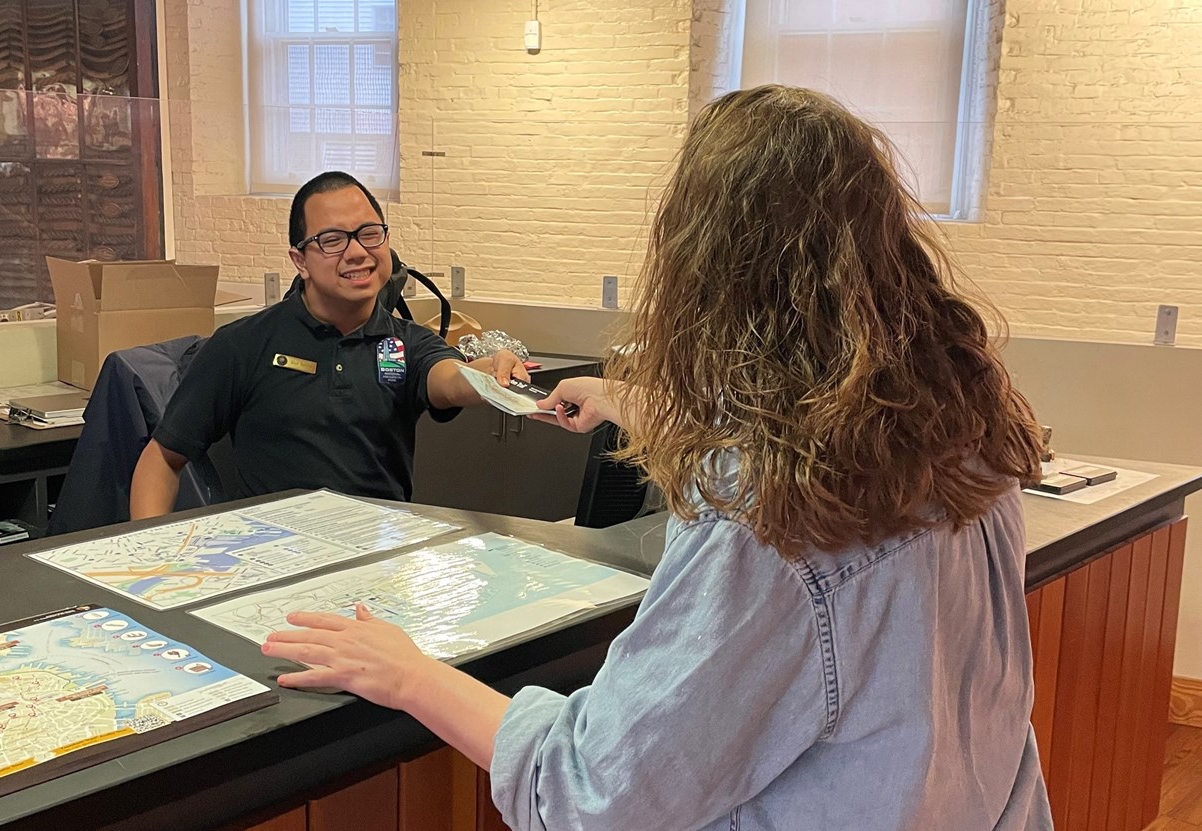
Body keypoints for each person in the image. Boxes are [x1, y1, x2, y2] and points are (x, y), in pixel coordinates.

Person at [259, 87, 1055, 830]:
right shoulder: (956, 429)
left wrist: (406, 672)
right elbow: (801, 416)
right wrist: (633, 399)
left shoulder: (765, 515)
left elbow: (590, 789)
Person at [130, 171, 527, 519]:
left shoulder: (407, 344)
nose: (357, 252)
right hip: (270, 564)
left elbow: (448, 380)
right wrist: (153, 554)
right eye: (332, 240)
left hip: (380, 561)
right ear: (299, 260)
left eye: (370, 234)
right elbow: (164, 457)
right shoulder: (243, 345)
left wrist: (489, 374)